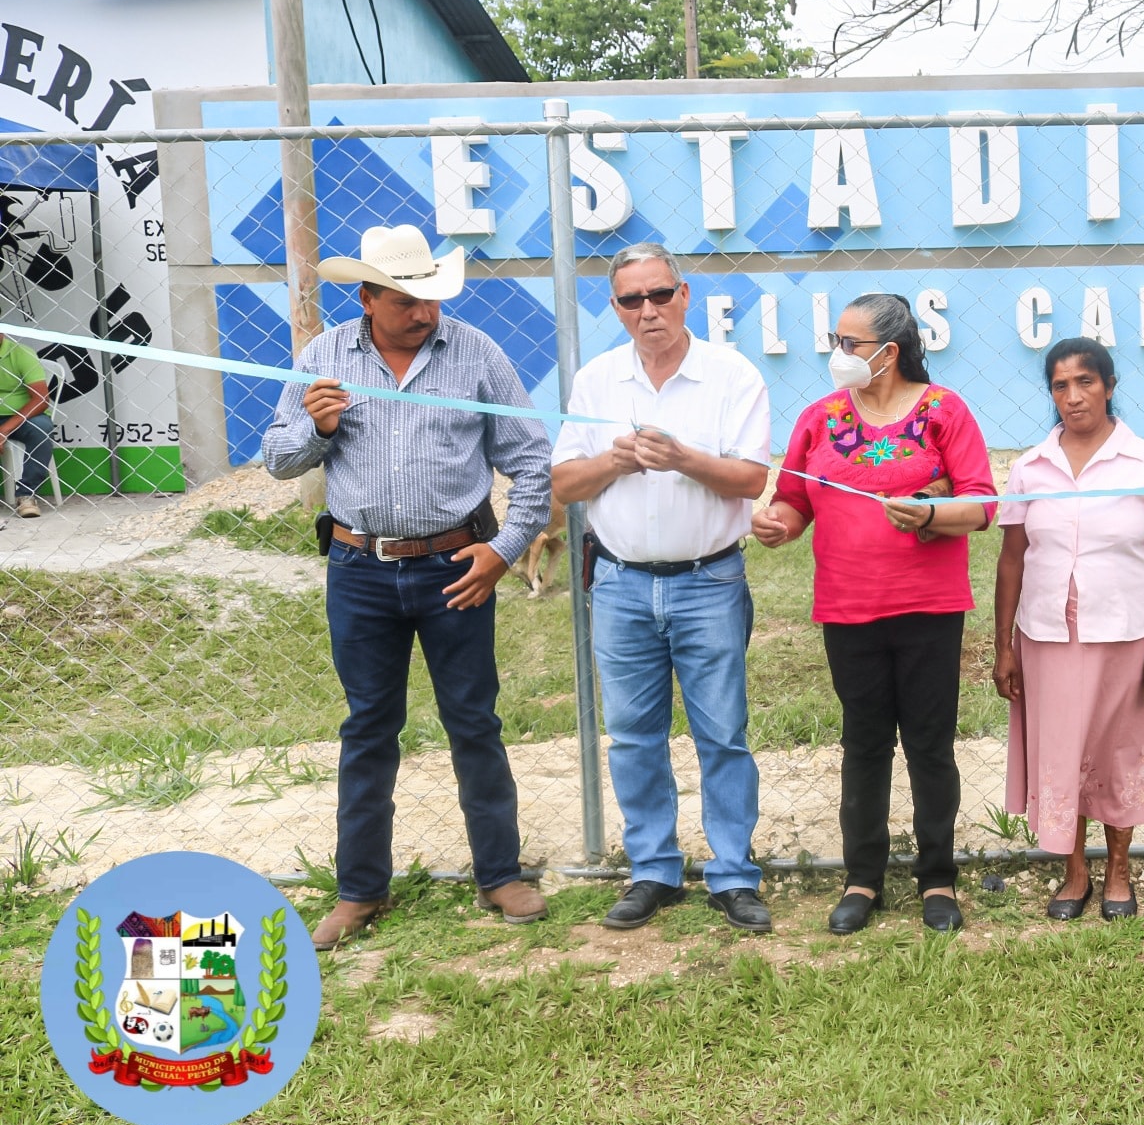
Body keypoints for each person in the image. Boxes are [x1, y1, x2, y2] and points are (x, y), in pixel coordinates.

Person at [261, 224, 553, 949]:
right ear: (365, 297)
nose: (423, 312)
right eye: (404, 300)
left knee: (474, 724)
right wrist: (317, 431)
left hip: (458, 568)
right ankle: (360, 890)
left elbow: (533, 463)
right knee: (367, 730)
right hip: (359, 571)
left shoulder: (476, 354)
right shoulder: (323, 358)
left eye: (430, 297)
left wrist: (503, 550)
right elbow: (275, 457)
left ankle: (499, 873)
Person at [752, 292, 996, 934]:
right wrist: (775, 524)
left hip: (929, 608)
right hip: (849, 608)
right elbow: (795, 502)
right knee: (863, 745)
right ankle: (863, 878)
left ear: (889, 352)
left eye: (850, 344)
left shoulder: (945, 411)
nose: (839, 355)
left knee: (929, 746)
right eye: (836, 341)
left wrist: (932, 514)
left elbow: (982, 504)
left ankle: (938, 879)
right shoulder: (819, 417)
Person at [551, 244, 774, 934]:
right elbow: (563, 485)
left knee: (723, 735)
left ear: (685, 295)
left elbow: (749, 479)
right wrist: (612, 461)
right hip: (620, 585)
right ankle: (653, 869)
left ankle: (733, 873)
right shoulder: (596, 383)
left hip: (708, 580)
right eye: (631, 300)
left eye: (659, 295)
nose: (647, 311)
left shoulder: (732, 376)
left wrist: (683, 458)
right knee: (634, 738)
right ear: (615, 308)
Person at [993, 338, 1144, 921]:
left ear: (1109, 385)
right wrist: (1004, 645)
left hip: (1126, 635)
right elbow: (1011, 559)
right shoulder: (1030, 467)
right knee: (1063, 748)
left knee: (1118, 748)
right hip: (1048, 636)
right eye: (1060, 385)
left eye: (1085, 382)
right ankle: (1074, 870)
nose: (1073, 397)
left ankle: (1119, 868)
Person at [0, 330, 53, 517]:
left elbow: (40, 399)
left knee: (42, 428)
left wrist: (4, 430)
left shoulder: (21, 353)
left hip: (23, 417)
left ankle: (26, 494)